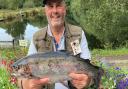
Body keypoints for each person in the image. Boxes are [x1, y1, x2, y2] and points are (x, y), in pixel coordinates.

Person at [18, 0, 93, 89]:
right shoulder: (37, 37)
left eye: (58, 5)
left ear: (65, 9)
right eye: (50, 6)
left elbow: (88, 67)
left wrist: (87, 81)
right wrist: (25, 85)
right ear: (45, 10)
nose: (55, 11)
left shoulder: (78, 33)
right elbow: (21, 78)